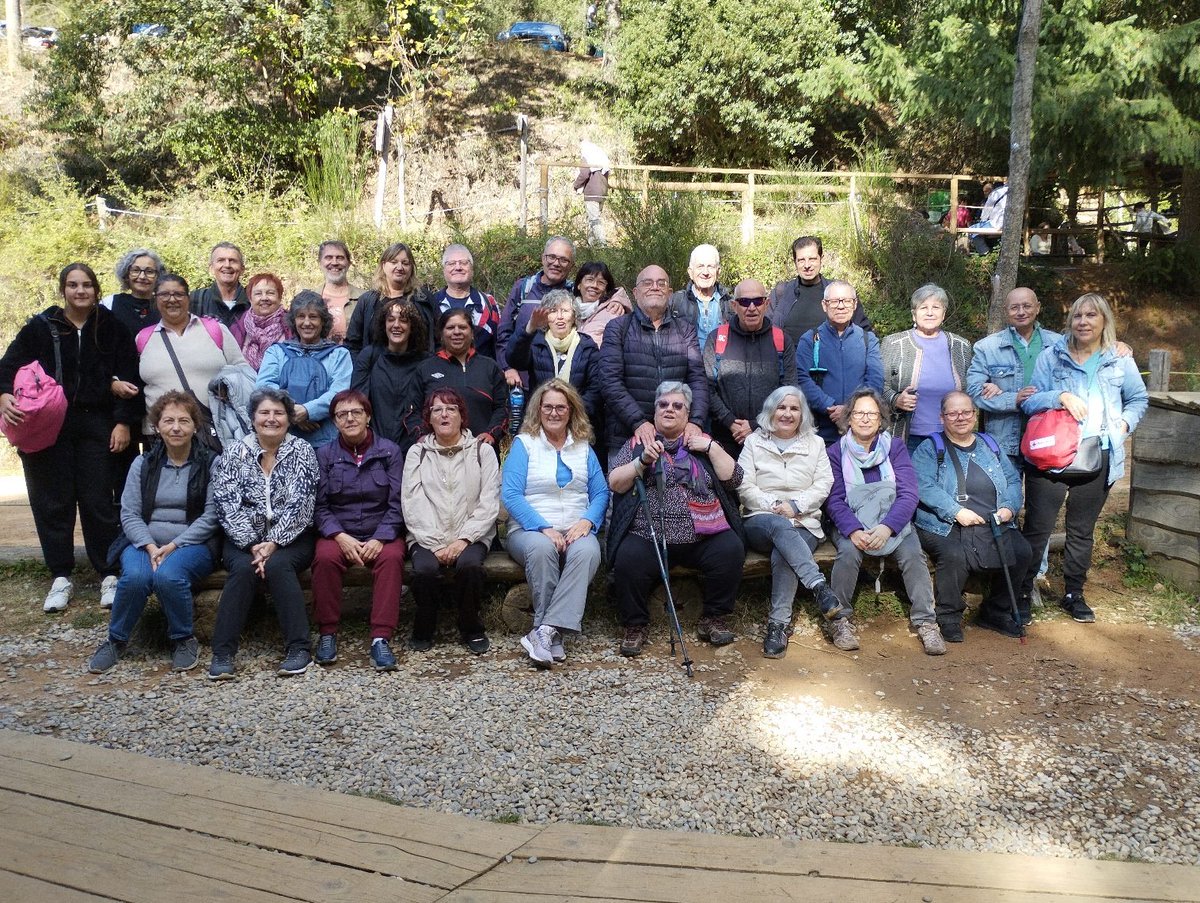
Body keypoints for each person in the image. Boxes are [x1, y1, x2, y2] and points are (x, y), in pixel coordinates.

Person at [0, 263, 140, 612]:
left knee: (98, 502)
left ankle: (108, 573)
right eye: (73, 285)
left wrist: (123, 423)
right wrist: (3, 395)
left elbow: (132, 378)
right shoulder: (41, 327)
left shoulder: (112, 328)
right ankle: (61, 576)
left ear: (96, 290)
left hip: (97, 423)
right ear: (63, 290)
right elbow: (7, 366)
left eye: (87, 285)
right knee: (53, 501)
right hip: (49, 426)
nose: (81, 292)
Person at [1019, 293, 1148, 623]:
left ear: (1104, 320)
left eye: (1091, 315)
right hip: (1051, 456)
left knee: (1081, 531)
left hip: (1097, 454)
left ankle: (1074, 594)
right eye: (1077, 316)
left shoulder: (1119, 360)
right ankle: (1022, 592)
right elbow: (1030, 402)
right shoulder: (1052, 357)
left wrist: (1123, 425)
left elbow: (1137, 399)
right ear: (1070, 321)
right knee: (1037, 529)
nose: (1083, 322)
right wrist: (1059, 396)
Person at [608, 381, 745, 655]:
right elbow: (615, 482)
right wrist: (642, 462)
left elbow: (735, 479)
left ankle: (713, 618)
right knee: (627, 558)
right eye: (663, 404)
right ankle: (635, 624)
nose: (669, 409)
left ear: (688, 413)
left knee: (731, 549)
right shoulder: (637, 444)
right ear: (655, 410)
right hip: (649, 536)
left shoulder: (702, 443)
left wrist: (711, 447)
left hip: (705, 534)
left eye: (677, 405)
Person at [86, 391, 219, 674]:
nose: (176, 427)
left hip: (191, 543)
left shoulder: (211, 463)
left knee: (169, 575)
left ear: (195, 426)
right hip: (143, 541)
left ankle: (182, 638)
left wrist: (173, 545)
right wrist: (148, 546)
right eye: (168, 420)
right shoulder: (142, 464)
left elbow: (212, 516)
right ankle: (116, 640)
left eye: (184, 421)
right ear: (156, 426)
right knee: (135, 576)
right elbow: (129, 513)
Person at [208, 388, 319, 679]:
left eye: (278, 413)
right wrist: (252, 544)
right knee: (244, 568)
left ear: (289, 418)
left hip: (293, 537)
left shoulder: (302, 452)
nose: (272, 419)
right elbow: (226, 503)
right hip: (243, 539)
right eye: (265, 413)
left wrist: (274, 543)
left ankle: (299, 649)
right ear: (252, 417)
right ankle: (222, 654)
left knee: (280, 565)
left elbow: (302, 503)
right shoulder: (234, 453)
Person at [825, 388, 945, 656]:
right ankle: (838, 620)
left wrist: (888, 526)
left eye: (872, 413)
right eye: (859, 413)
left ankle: (926, 622)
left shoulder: (896, 447)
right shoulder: (835, 452)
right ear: (849, 419)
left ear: (881, 419)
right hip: (852, 520)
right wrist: (853, 530)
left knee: (914, 555)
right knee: (847, 552)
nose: (865, 419)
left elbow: (909, 492)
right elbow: (833, 499)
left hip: (892, 519)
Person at [502, 379, 608, 667]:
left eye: (561, 407)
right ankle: (553, 635)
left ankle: (545, 633)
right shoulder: (524, 444)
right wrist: (542, 526)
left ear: (571, 410)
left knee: (587, 551)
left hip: (575, 526)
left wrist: (588, 520)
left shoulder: (583, 446)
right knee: (541, 549)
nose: (554, 412)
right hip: (529, 529)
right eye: (547, 406)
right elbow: (510, 494)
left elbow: (600, 492)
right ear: (538, 409)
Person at [913, 392, 1033, 640]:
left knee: (1022, 552)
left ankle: (995, 611)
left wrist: (1009, 507)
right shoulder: (930, 448)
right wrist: (956, 512)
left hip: (993, 520)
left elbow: (1012, 480)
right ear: (942, 417)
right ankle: (948, 616)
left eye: (966, 412)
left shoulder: (991, 445)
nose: (960, 418)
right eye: (952, 413)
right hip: (942, 523)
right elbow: (922, 485)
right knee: (954, 554)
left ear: (975, 414)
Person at [737, 387, 839, 658]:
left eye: (794, 408)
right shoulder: (754, 443)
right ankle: (819, 586)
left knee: (784, 553)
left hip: (805, 522)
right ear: (771, 411)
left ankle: (777, 625)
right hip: (760, 520)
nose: (787, 413)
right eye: (781, 408)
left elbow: (824, 483)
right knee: (780, 526)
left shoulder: (815, 444)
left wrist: (796, 506)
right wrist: (774, 506)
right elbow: (743, 485)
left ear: (802, 413)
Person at [312, 389, 406, 672]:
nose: (349, 418)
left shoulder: (389, 451)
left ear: (368, 416)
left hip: (382, 530)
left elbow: (399, 501)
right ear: (334, 421)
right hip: (340, 531)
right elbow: (319, 506)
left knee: (391, 559)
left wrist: (381, 537)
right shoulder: (325, 455)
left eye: (356, 413)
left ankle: (381, 638)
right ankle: (327, 633)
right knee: (325, 558)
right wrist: (339, 536)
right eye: (342, 414)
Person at [402, 388, 499, 654]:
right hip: (425, 534)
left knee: (469, 567)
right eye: (437, 410)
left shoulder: (482, 451)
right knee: (423, 571)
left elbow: (489, 501)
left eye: (451, 409)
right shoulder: (417, 453)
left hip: (471, 533)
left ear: (461, 416)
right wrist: (434, 544)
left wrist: (464, 539)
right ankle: (425, 625)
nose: (444, 414)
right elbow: (412, 501)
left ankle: (471, 626)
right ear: (428, 418)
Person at [600, 265, 708, 467]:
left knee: (677, 497)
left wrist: (696, 421)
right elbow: (609, 381)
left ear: (669, 293)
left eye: (661, 283)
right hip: (627, 435)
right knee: (626, 495)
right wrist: (638, 422)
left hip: (677, 438)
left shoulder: (684, 330)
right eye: (647, 283)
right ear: (635, 292)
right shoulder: (617, 328)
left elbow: (698, 380)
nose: (655, 287)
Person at [137, 273, 245, 441]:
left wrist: (228, 388)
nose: (172, 299)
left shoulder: (215, 330)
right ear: (155, 299)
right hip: (162, 435)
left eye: (178, 294)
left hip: (213, 430)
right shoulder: (143, 338)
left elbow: (242, 371)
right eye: (165, 294)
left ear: (188, 298)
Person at [703, 278, 797, 458]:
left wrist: (756, 424)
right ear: (734, 305)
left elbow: (789, 390)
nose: (751, 307)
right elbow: (707, 388)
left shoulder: (782, 341)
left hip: (770, 437)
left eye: (758, 301)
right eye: (744, 302)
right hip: (726, 438)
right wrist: (730, 422)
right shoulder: (717, 339)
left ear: (767, 304)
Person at [881, 283, 973, 453]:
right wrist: (896, 399)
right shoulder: (894, 344)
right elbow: (879, 385)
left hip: (952, 436)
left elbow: (973, 385)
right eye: (923, 307)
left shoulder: (961, 346)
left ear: (943, 314)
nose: (930, 312)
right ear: (914, 314)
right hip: (907, 438)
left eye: (936, 307)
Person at [256, 292, 353, 448]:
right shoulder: (276, 352)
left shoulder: (339, 355)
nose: (307, 323)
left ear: (323, 321)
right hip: (282, 440)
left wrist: (308, 411)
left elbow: (338, 394)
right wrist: (292, 412)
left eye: (313, 317)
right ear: (294, 321)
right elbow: (264, 386)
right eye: (301, 316)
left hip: (326, 442)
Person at [794, 279, 883, 444]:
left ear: (855, 304)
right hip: (820, 432)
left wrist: (850, 409)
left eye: (847, 301)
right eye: (834, 301)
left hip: (860, 431)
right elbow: (801, 378)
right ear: (824, 305)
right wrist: (830, 406)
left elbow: (875, 381)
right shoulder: (810, 339)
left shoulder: (867, 340)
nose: (841, 306)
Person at [505, 288, 602, 422]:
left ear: (574, 316)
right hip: (539, 420)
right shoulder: (536, 342)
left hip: (578, 421)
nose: (560, 316)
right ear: (546, 318)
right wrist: (529, 328)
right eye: (553, 311)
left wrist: (571, 413)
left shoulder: (587, 346)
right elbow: (514, 360)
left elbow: (595, 388)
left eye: (565, 311)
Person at [416, 308, 508, 447]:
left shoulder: (490, 367)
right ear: (441, 334)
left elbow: (503, 407)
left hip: (481, 452)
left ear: (472, 333)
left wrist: (492, 433)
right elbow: (412, 411)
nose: (457, 332)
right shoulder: (425, 369)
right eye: (450, 327)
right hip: (436, 453)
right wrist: (421, 436)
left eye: (463, 327)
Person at [351, 299, 429, 457]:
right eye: (391, 319)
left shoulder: (425, 361)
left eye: (404, 320)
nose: (396, 325)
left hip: (414, 450)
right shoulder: (369, 356)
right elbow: (358, 402)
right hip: (374, 450)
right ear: (383, 324)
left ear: (412, 326)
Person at [496, 236, 576, 386]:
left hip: (562, 384)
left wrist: (619, 301)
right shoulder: (523, 289)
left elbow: (600, 295)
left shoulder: (574, 292)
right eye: (551, 257)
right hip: (522, 381)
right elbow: (504, 331)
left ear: (571, 265)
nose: (556, 263)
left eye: (563, 260)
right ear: (543, 258)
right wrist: (508, 367)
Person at [768, 236, 869, 344]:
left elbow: (863, 332)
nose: (807, 265)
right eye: (801, 260)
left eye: (812, 259)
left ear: (821, 259)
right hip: (789, 359)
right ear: (795, 262)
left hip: (832, 359)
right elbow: (765, 331)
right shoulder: (781, 293)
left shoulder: (840, 293)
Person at [417, 243, 501, 359]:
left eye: (463, 263)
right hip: (441, 372)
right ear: (444, 270)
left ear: (472, 268)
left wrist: (507, 369)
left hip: (482, 373)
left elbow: (500, 343)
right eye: (451, 263)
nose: (458, 267)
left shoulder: (488, 303)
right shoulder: (431, 303)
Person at [345, 242, 427, 354]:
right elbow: (353, 343)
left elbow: (435, 339)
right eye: (394, 262)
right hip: (374, 368)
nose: (399, 267)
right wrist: (362, 368)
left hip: (416, 369)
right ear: (383, 265)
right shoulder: (368, 301)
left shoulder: (423, 299)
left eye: (405, 263)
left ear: (411, 267)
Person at [668, 244, 731, 350]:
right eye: (700, 266)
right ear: (690, 272)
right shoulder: (675, 303)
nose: (705, 272)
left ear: (718, 271)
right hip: (687, 365)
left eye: (710, 266)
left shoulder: (731, 304)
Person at [308, 240, 365, 342]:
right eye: (328, 257)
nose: (334, 262)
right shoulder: (309, 299)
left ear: (349, 263)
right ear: (320, 263)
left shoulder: (365, 298)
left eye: (340, 258)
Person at [235, 273, 293, 370]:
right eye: (258, 293)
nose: (264, 298)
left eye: (270, 293)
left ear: (279, 297)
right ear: (250, 299)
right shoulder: (237, 328)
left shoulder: (292, 326)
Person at [102, 248, 164, 337]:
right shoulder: (110, 303)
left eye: (149, 271)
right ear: (126, 274)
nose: (142, 276)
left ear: (158, 276)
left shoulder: (165, 305)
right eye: (136, 270)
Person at [189, 242, 249, 329]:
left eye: (232, 261)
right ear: (211, 268)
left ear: (242, 269)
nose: (227, 265)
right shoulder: (196, 299)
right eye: (221, 260)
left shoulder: (253, 301)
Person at [572, 260, 631, 346]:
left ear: (606, 290)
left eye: (601, 283)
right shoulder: (567, 310)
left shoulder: (613, 312)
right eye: (589, 279)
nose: (594, 285)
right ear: (579, 284)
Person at [575, 140, 611, 245]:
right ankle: (590, 243)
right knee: (592, 217)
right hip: (602, 191)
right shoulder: (602, 158)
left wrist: (576, 185)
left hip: (592, 192)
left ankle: (602, 243)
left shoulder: (587, 157)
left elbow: (584, 174)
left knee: (594, 219)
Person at [971, 181, 1008, 255]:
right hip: (1010, 225)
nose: (984, 193)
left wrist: (982, 221)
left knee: (972, 230)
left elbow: (987, 209)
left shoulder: (997, 193)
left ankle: (984, 253)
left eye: (985, 191)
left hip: (996, 223)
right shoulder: (1016, 193)